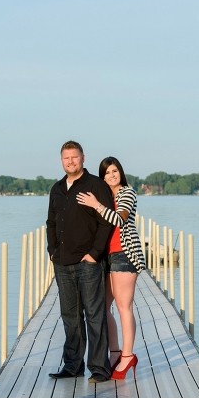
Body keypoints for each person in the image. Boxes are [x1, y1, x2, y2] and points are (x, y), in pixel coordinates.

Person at [46, 141, 115, 383]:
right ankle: (73, 365)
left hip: (89, 262)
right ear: (61, 160)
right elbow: (51, 223)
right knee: (70, 316)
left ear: (83, 158)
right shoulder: (57, 189)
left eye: (74, 157)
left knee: (95, 315)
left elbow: (106, 221)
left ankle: (99, 369)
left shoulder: (96, 185)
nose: (70, 162)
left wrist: (95, 253)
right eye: (66, 158)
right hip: (62, 263)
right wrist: (52, 250)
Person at [76, 157, 146, 380]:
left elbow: (120, 220)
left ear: (120, 172)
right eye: (107, 173)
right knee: (103, 307)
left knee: (124, 306)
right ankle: (114, 352)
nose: (112, 175)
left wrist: (96, 205)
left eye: (115, 171)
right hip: (106, 255)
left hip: (124, 254)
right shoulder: (105, 195)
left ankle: (127, 357)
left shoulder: (127, 193)